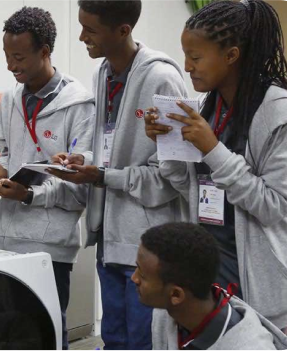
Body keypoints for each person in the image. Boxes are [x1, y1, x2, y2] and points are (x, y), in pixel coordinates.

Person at [144, 0, 287, 344]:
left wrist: (212, 149)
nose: (187, 67)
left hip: (266, 285)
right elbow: (184, 184)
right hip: (216, 270)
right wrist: (168, 145)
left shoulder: (281, 113)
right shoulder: (211, 106)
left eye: (196, 57)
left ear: (231, 55)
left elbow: (273, 206)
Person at [48, 1, 188, 350]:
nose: (81, 37)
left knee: (144, 344)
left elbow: (171, 179)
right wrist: (86, 160)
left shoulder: (162, 79)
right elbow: (112, 149)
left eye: (90, 30)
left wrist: (101, 176)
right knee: (114, 341)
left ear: (123, 30)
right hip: (109, 243)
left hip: (147, 244)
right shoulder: (103, 73)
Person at [0, 7, 94, 350]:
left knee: (43, 337)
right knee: (2, 338)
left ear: (44, 52)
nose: (11, 66)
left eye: (19, 57)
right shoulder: (12, 97)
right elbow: (4, 150)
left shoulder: (80, 105)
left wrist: (30, 195)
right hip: (6, 241)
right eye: (6, 56)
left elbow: (79, 190)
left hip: (49, 249)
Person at [133, 222, 287, 351]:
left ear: (176, 295)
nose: (134, 278)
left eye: (142, 275)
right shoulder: (166, 314)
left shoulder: (249, 346)